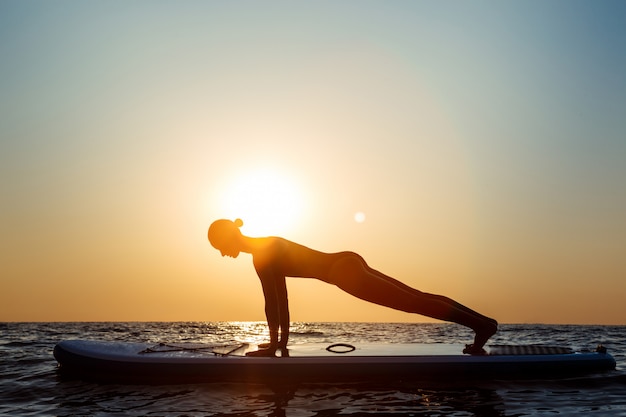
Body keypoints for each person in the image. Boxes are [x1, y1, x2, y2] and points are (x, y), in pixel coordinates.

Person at [208, 218, 497, 356]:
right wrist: (278, 343)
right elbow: (280, 301)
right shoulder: (264, 245)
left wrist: (275, 346)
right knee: (416, 297)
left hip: (343, 273)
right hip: (345, 261)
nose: (222, 253)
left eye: (220, 246)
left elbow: (276, 302)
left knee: (412, 302)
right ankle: (482, 323)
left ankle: (481, 326)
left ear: (230, 237)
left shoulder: (260, 256)